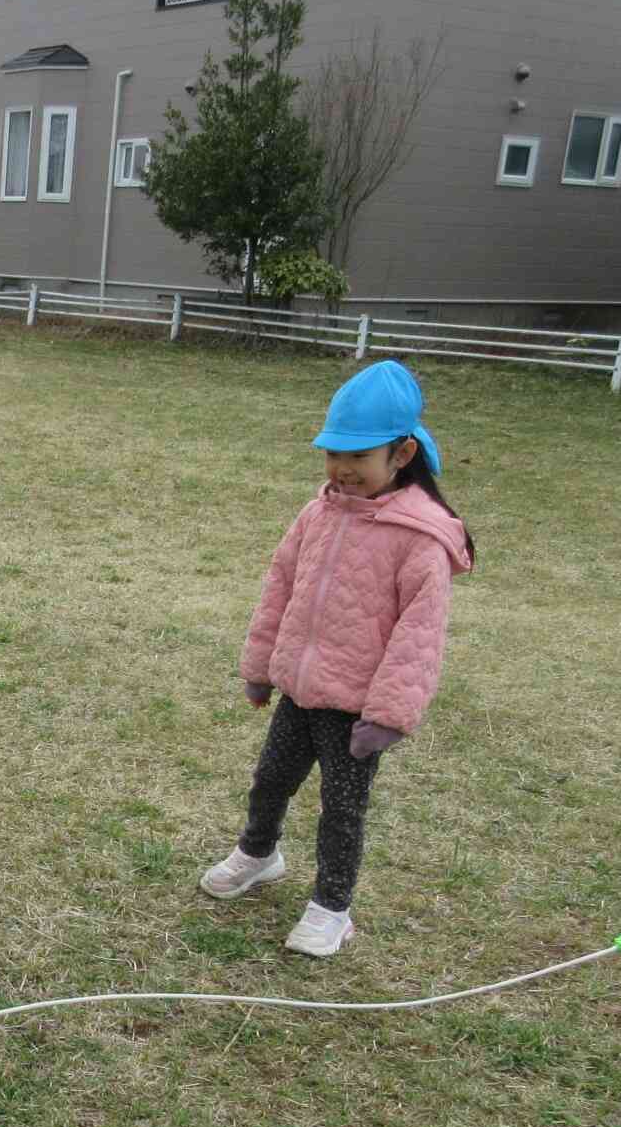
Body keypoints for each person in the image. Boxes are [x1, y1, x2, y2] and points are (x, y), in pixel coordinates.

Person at [199, 361, 476, 956]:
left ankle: (332, 906)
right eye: (333, 455)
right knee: (270, 780)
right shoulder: (318, 513)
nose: (342, 470)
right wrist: (260, 666)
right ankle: (258, 853)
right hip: (299, 690)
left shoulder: (420, 538)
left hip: (356, 712)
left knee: (342, 809)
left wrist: (389, 715)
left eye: (359, 457)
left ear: (401, 455)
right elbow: (281, 586)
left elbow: (419, 634)